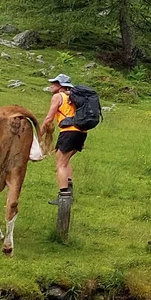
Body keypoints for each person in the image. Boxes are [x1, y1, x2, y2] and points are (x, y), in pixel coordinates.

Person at [41, 74, 87, 206]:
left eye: (54, 83)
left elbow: (49, 119)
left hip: (68, 132)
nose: (51, 86)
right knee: (66, 162)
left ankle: (64, 196)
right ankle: (69, 191)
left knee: (60, 164)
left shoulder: (58, 97)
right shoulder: (75, 97)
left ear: (61, 86)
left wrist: (40, 134)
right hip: (81, 133)